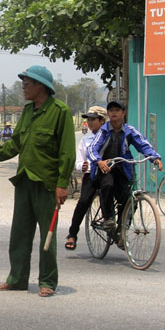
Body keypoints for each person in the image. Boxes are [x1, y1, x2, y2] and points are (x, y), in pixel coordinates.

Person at [0, 65, 75, 297]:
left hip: (47, 184)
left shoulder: (60, 112)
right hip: (24, 182)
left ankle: (47, 281)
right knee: (20, 234)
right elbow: (15, 144)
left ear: (41, 86)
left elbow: (67, 152)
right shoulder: (28, 112)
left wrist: (62, 184)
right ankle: (17, 279)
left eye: (27, 84)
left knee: (46, 236)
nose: (23, 88)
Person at [87, 101, 163, 232]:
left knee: (128, 198)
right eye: (111, 110)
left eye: (117, 110)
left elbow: (143, 144)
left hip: (123, 168)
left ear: (123, 113)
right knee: (108, 185)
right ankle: (108, 217)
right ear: (108, 114)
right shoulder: (103, 131)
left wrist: (155, 158)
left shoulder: (130, 131)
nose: (114, 113)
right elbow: (92, 149)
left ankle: (122, 230)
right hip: (106, 168)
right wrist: (99, 161)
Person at [64, 106, 107, 251]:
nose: (89, 122)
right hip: (91, 175)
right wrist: (81, 166)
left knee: (116, 198)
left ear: (102, 121)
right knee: (83, 202)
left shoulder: (110, 136)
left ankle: (119, 231)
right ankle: (72, 234)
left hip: (108, 174)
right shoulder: (85, 139)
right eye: (88, 119)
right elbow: (78, 161)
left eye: (93, 119)